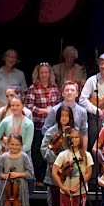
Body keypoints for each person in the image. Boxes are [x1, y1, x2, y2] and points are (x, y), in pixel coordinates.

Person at [52, 126, 93, 206]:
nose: (74, 140)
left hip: (80, 192)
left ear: (80, 139)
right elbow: (54, 172)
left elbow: (88, 172)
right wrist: (62, 187)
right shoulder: (63, 155)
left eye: (76, 137)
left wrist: (79, 186)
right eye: (72, 138)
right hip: (65, 192)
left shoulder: (86, 155)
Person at [41, 105, 78, 206]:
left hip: (71, 169)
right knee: (55, 200)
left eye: (67, 116)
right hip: (55, 170)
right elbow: (44, 149)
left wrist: (68, 161)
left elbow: (79, 149)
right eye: (62, 116)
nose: (64, 118)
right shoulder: (51, 131)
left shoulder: (74, 131)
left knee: (69, 200)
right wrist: (58, 162)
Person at [25, 61, 62, 189]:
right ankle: (38, 179)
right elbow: (29, 106)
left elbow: (59, 105)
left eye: (46, 72)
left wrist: (52, 112)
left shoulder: (55, 88)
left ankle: (50, 178)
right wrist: (44, 111)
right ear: (38, 74)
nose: (44, 75)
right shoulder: (33, 88)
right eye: (42, 73)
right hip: (38, 126)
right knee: (37, 154)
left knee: (51, 152)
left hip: (52, 128)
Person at [43, 80, 89, 151]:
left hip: (75, 148)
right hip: (58, 149)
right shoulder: (54, 110)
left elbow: (84, 132)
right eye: (67, 90)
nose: (69, 92)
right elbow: (45, 129)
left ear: (77, 94)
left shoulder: (82, 111)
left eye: (72, 90)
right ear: (62, 93)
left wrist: (84, 152)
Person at [0, 49, 27, 113]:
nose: (11, 59)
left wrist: (22, 107)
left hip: (17, 111)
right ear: (4, 58)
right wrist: (0, 107)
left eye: (14, 57)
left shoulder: (20, 74)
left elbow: (23, 93)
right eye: (9, 56)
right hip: (1, 111)